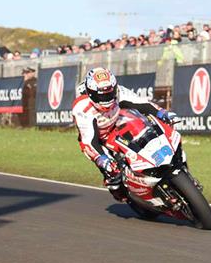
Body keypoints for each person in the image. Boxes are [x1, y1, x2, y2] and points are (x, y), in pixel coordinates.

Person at [72, 67, 177, 201]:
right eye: (102, 95)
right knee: (113, 173)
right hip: (99, 139)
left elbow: (142, 104)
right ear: (91, 93)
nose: (107, 98)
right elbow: (89, 141)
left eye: (109, 93)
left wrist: (163, 113)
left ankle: (157, 165)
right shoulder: (82, 108)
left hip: (118, 124)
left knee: (146, 129)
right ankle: (124, 192)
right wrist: (101, 159)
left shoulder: (119, 92)